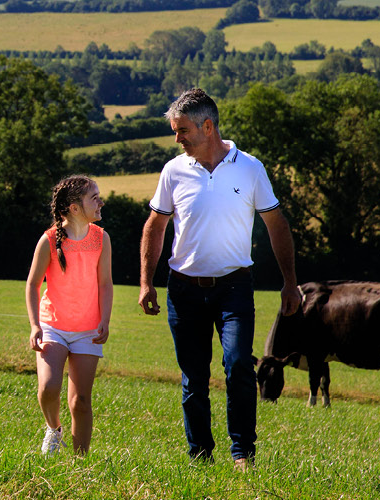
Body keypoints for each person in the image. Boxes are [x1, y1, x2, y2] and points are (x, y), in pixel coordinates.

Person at [138, 88, 300, 469]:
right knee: (194, 377)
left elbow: (276, 225)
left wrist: (290, 282)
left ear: (207, 126)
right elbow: (155, 226)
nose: (177, 139)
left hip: (234, 288)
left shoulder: (251, 168)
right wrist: (147, 281)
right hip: (183, 290)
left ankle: (242, 452)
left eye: (182, 131)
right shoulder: (173, 171)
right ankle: (200, 455)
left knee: (239, 364)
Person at [26, 175, 113, 455]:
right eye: (94, 198)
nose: (101, 202)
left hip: (88, 330)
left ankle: (80, 462)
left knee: (81, 402)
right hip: (53, 326)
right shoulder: (49, 240)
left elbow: (105, 283)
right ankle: (54, 429)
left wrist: (105, 320)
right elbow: (32, 284)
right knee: (48, 388)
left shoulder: (102, 239)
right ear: (74, 208)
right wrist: (35, 326)